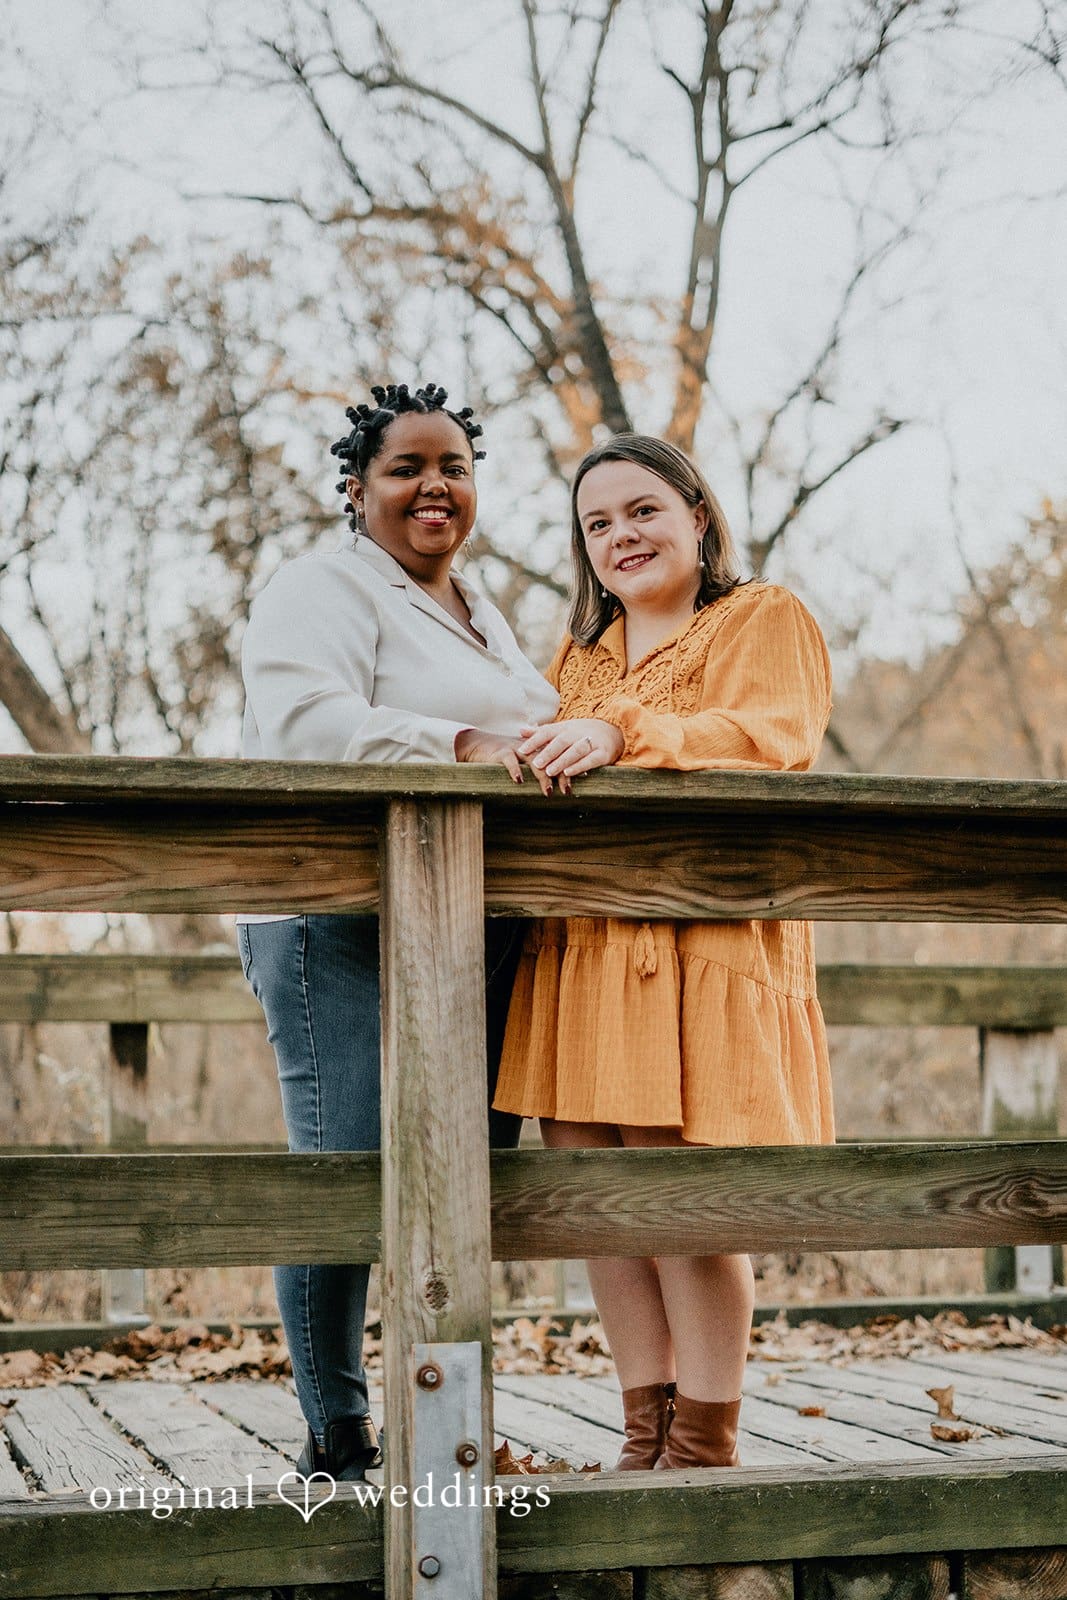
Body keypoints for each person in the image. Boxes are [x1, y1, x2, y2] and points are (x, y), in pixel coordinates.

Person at [492, 433, 835, 1472]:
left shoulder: (759, 615)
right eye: (597, 523)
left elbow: (770, 733)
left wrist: (617, 734)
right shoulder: (573, 657)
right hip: (579, 951)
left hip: (698, 948)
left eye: (640, 510)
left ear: (694, 511)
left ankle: (701, 1447)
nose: (620, 537)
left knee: (683, 1204)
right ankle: (641, 1437)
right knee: (599, 1207)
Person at [238, 382, 558, 1481]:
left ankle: (448, 1409)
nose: (435, 485)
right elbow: (307, 721)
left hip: (470, 922)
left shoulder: (485, 610)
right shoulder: (317, 587)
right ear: (355, 488)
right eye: (406, 467)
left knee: (467, 1168)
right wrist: (464, 743)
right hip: (335, 915)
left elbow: (543, 726)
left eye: (455, 466)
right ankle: (338, 1426)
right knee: (346, 1162)